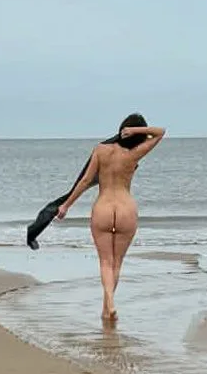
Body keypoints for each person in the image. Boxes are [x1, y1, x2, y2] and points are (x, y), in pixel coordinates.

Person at [57, 113, 166, 323]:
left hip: (103, 208)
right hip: (126, 209)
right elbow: (160, 133)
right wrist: (137, 132)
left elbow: (86, 180)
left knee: (106, 262)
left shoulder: (100, 150)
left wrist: (66, 205)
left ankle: (108, 305)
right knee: (117, 263)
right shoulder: (134, 154)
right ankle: (109, 305)